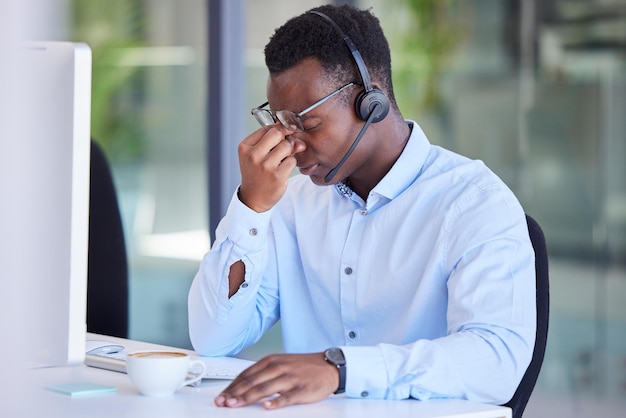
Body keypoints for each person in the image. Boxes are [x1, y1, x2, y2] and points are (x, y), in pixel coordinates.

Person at [188, 4, 536, 411]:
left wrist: (342, 369)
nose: (292, 144)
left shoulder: (473, 203)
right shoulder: (293, 204)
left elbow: (496, 361)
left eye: (306, 123)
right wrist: (251, 207)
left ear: (371, 100)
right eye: (281, 124)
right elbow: (214, 338)